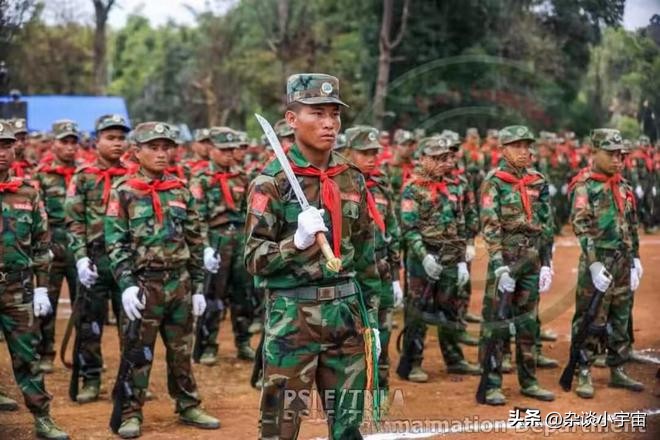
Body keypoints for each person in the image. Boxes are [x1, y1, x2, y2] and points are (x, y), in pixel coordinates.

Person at [245, 73, 380, 439]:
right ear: (292, 120)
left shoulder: (351, 178)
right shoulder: (270, 182)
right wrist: (297, 243)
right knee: (280, 428)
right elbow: (254, 259)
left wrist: (374, 317)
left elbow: (366, 251)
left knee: (349, 427)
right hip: (293, 318)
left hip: (346, 315)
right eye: (317, 113)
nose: (329, 123)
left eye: (334, 114)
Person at [105, 122, 220, 438]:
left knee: (182, 350)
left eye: (165, 147)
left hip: (179, 284)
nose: (160, 153)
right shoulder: (125, 191)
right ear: (137, 152)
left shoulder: (181, 190)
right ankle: (130, 413)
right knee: (138, 353)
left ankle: (187, 404)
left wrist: (197, 287)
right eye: (152, 147)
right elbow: (115, 243)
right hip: (144, 285)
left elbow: (196, 240)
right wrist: (127, 283)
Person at [0, 119, 69, 439]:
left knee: (28, 355)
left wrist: (42, 287)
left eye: (5, 145)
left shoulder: (28, 192)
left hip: (17, 287)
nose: (1, 152)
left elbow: (41, 244)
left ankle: (42, 417)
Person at [477, 125, 555, 405]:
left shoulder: (538, 181)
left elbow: (546, 224)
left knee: (528, 322)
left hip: (532, 260)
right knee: (497, 323)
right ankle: (492, 384)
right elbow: (490, 224)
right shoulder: (494, 181)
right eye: (517, 146)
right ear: (504, 149)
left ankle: (529, 380)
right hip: (506, 261)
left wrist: (547, 262)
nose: (524, 151)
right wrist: (498, 265)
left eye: (527, 145)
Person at [396, 136, 481, 383]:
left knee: (450, 309)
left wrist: (464, 257)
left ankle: (455, 360)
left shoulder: (454, 186)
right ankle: (412, 364)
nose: (443, 163)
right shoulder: (413, 188)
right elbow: (409, 228)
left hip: (451, 258)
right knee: (418, 311)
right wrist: (424, 257)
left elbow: (461, 222)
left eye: (445, 158)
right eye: (436, 158)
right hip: (423, 258)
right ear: (422, 159)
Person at [568, 128, 644, 399]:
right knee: (591, 317)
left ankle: (618, 367)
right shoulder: (584, 185)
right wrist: (593, 264)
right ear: (594, 152)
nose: (617, 159)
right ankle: (584, 369)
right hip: (598, 261)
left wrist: (635, 258)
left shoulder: (622, 186)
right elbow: (581, 225)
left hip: (622, 262)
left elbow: (631, 225)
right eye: (610, 154)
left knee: (620, 316)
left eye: (620, 154)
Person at [64, 114, 132, 403]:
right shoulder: (83, 177)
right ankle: (91, 378)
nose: (117, 144)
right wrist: (79, 258)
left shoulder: (134, 176)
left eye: (121, 138)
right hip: (95, 260)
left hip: (127, 262)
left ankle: (130, 382)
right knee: (89, 325)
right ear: (96, 141)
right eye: (110, 138)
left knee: (131, 325)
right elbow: (74, 222)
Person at [344, 125, 402, 394]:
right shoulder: (337, 185)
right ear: (347, 152)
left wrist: (397, 276)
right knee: (353, 333)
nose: (371, 158)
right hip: (352, 272)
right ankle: (353, 388)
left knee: (384, 329)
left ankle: (380, 385)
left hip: (382, 269)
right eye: (364, 152)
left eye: (374, 152)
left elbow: (392, 229)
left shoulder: (381, 184)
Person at [190, 126, 255, 364]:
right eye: (223, 149)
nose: (229, 154)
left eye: (232, 149)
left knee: (243, 293)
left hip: (239, 238)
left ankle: (243, 341)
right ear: (211, 150)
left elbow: (250, 212)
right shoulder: (201, 179)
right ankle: (208, 345)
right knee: (213, 296)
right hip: (216, 238)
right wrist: (205, 247)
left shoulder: (243, 177)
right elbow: (197, 217)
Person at [33, 119, 80, 373]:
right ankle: (45, 353)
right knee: (47, 302)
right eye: (65, 142)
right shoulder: (42, 174)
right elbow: (37, 214)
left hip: (80, 244)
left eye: (74, 142)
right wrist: (43, 245)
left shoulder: (86, 173)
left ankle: (84, 355)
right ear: (54, 144)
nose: (70, 148)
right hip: (53, 242)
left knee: (84, 303)